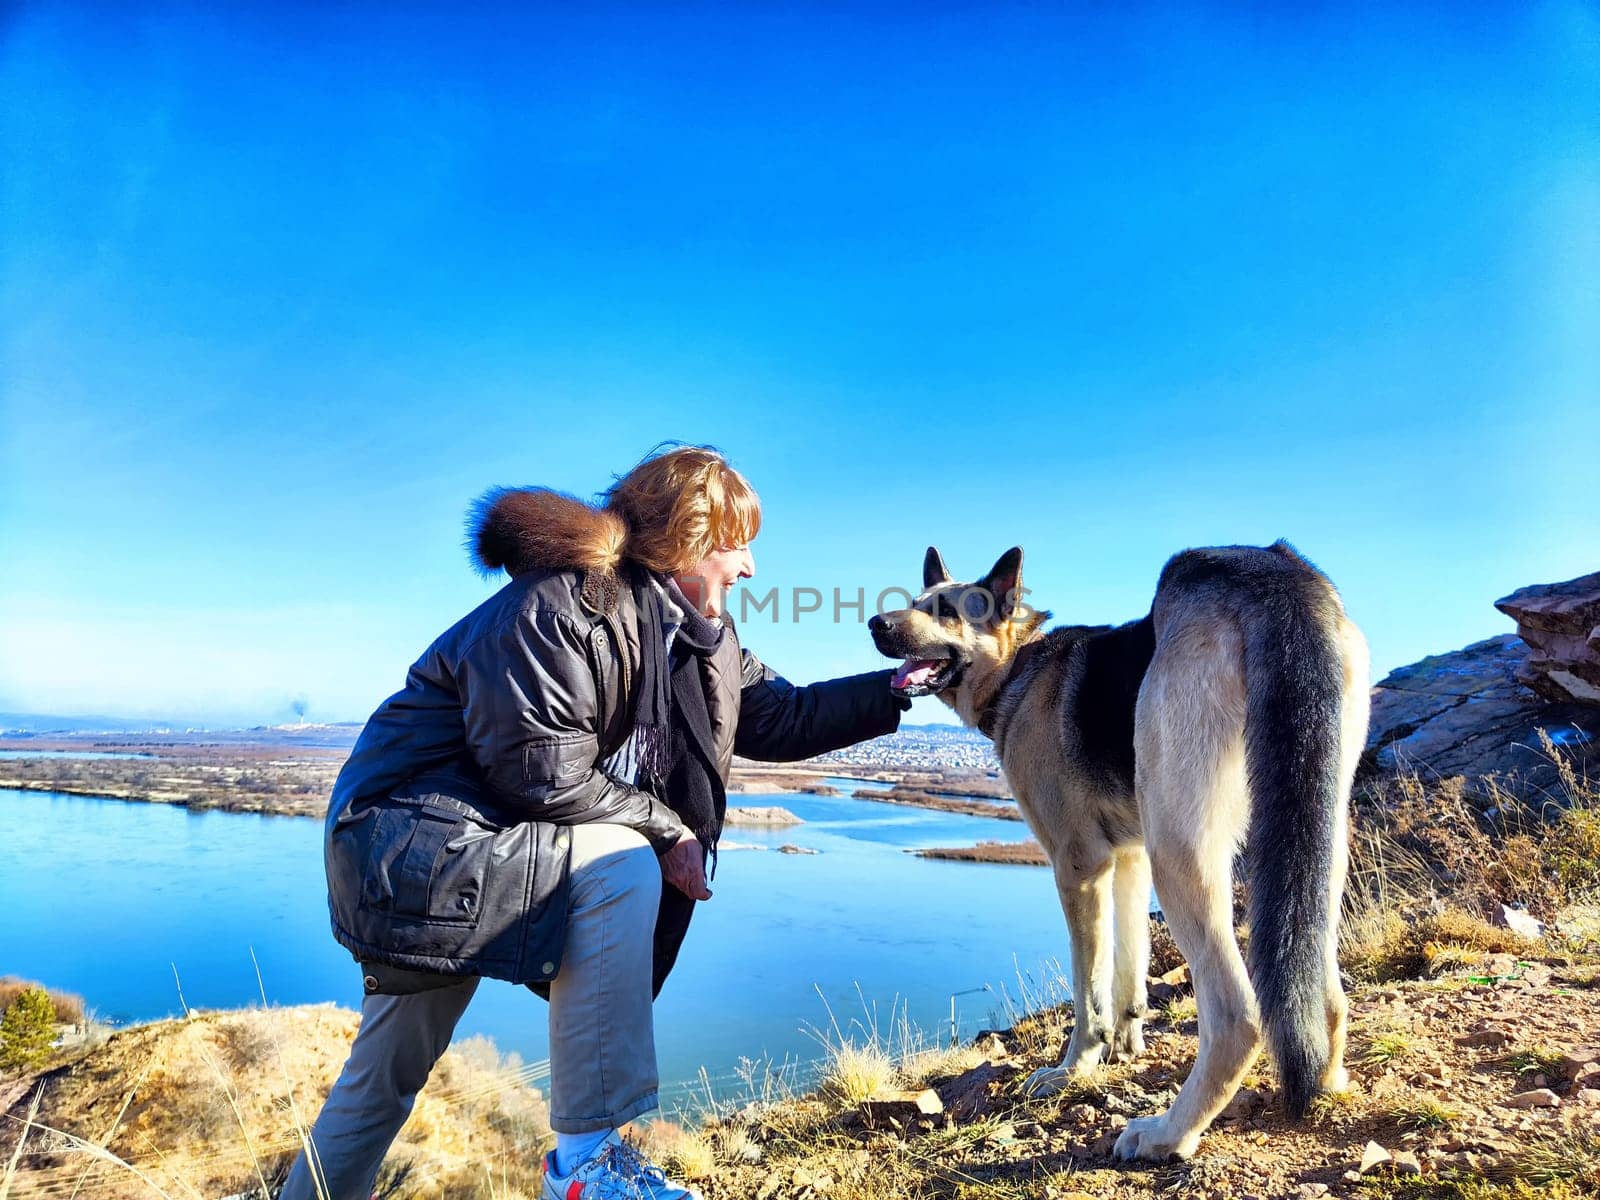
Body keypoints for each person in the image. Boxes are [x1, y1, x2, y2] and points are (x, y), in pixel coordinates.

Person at [280, 446, 906, 1200]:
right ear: (690, 540)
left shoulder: (700, 642)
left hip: (491, 847)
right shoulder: (565, 607)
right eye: (739, 545)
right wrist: (668, 831)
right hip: (416, 844)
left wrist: (913, 680)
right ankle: (586, 1169)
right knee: (622, 863)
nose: (751, 569)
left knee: (380, 1079)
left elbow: (787, 714)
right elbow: (542, 772)